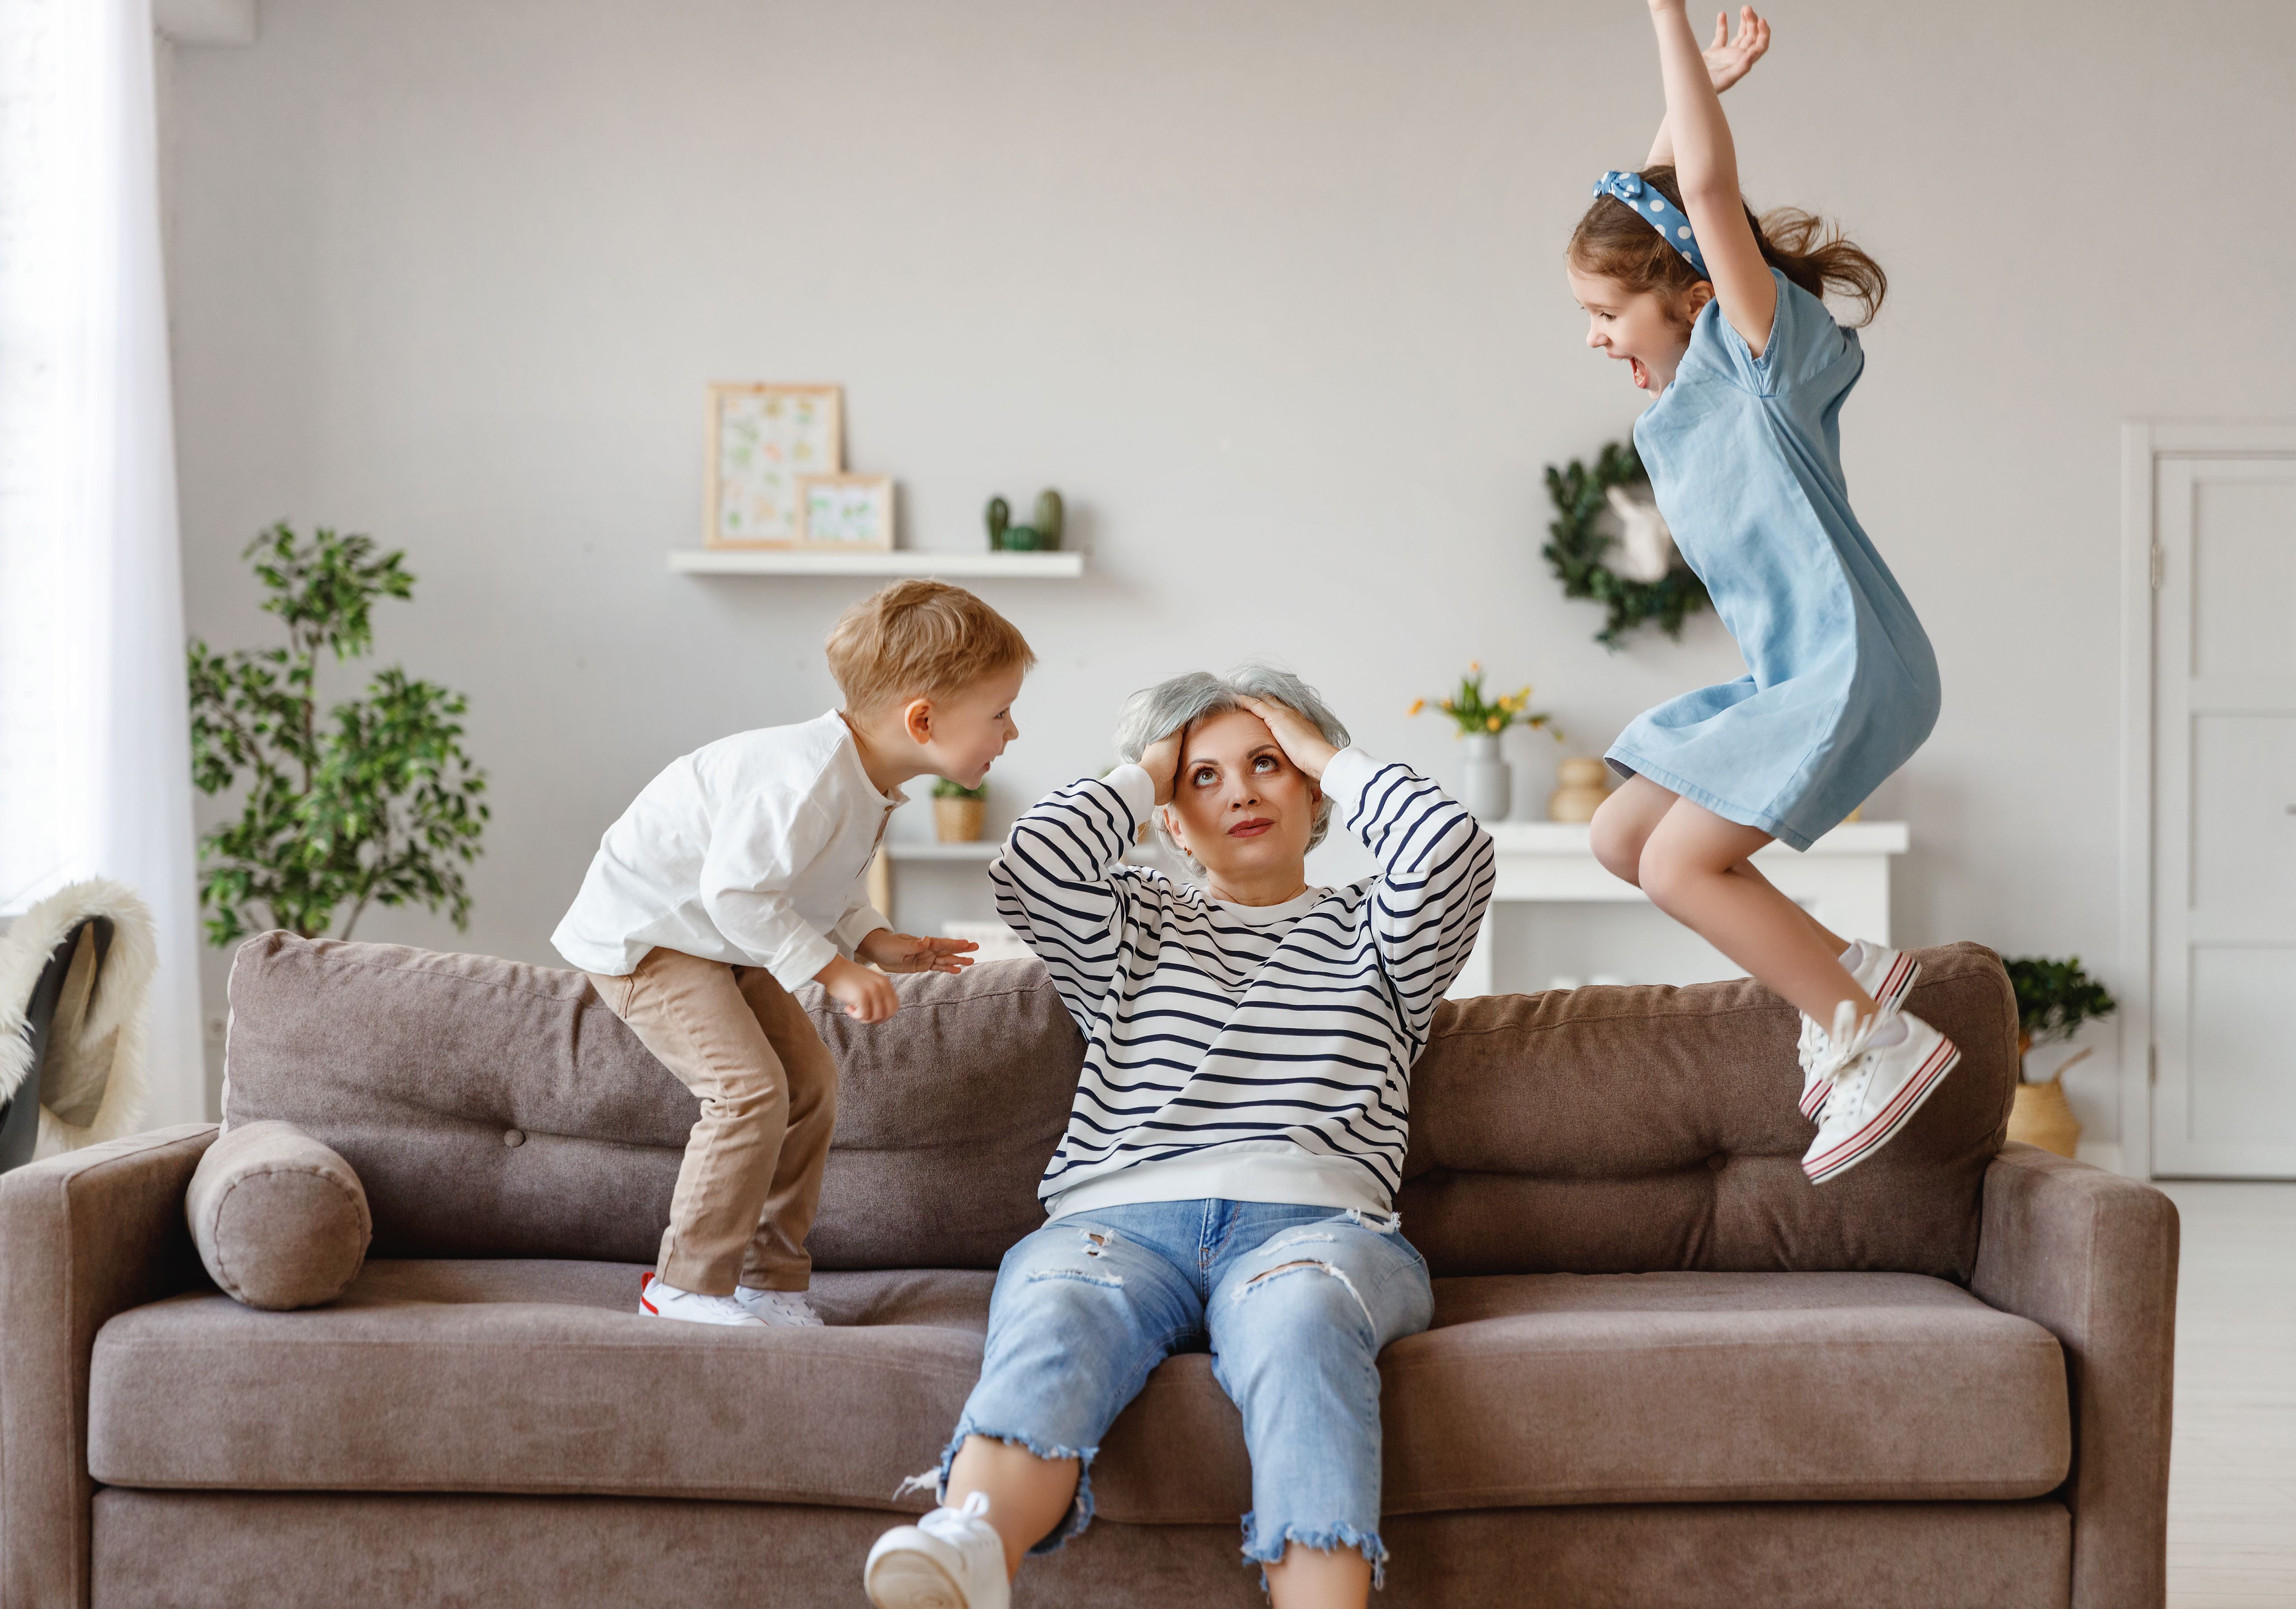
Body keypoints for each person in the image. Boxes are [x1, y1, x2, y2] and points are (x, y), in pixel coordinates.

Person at [861, 665, 1495, 1609]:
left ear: (1314, 789)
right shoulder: (1128, 928)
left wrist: (1326, 751)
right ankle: (970, 1545)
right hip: (1114, 1224)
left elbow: (1451, 850)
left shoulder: (1381, 931)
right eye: (1202, 776)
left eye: (1267, 765)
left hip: (1314, 1228)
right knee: (1058, 1305)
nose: (1238, 790)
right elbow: (1032, 864)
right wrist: (1144, 768)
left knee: (1300, 1319)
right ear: (1165, 808)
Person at [1566, 3, 1949, 1184]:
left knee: (1685, 865)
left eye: (1602, 315)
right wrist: (1696, 104)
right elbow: (1664, 212)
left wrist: (1668, 22)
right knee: (1623, 834)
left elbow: (1706, 208)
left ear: (1684, 296)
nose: (1591, 340)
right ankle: (1846, 973)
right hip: (1789, 673)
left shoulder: (1760, 364)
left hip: (1849, 662)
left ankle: (1869, 1037)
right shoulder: (1682, 402)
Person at [551, 580, 1033, 1326]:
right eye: (999, 713)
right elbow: (737, 895)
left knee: (809, 1081)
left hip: (717, 936)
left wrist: (875, 940)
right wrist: (838, 971)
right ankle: (683, 1285)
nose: (1012, 732)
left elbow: (814, 882)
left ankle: (767, 1280)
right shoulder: (806, 780)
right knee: (748, 1089)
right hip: (650, 935)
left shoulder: (861, 779)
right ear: (923, 719)